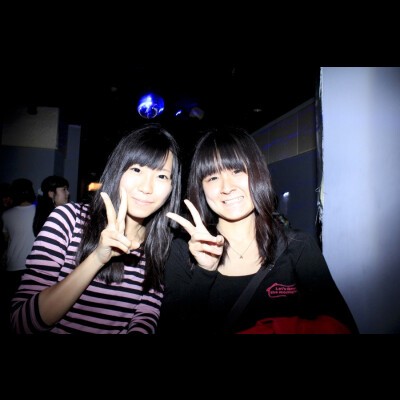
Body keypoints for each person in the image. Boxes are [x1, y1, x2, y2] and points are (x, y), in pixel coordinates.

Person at [158, 127, 359, 334]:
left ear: (257, 173)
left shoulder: (297, 246)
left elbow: (340, 326)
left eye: (237, 171)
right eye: (213, 178)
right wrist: (204, 272)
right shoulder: (182, 251)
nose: (227, 187)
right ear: (202, 188)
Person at [11, 123, 182, 334]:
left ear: (172, 187)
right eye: (136, 169)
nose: (147, 188)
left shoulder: (162, 244)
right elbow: (21, 323)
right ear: (117, 171)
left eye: (162, 176)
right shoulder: (68, 219)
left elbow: (146, 316)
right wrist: (97, 258)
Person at [1, 178, 36, 333]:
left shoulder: (6, 214)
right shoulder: (39, 211)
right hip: (32, 266)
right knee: (32, 311)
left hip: (12, 265)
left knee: (13, 308)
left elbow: (6, 240)